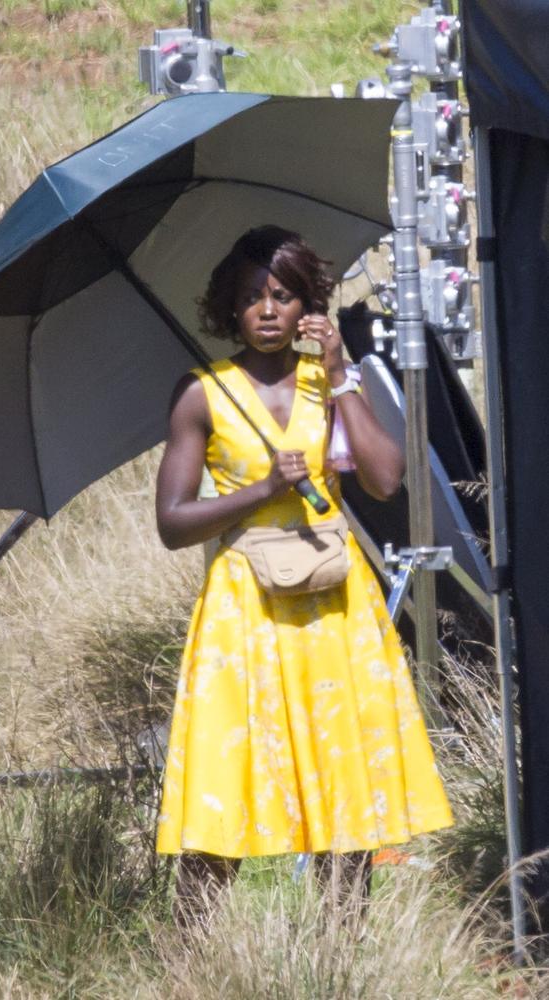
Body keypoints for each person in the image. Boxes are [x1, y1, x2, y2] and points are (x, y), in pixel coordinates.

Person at [154, 226, 453, 927]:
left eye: (283, 296)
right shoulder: (201, 394)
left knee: (344, 780)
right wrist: (260, 490)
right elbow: (172, 522)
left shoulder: (329, 382)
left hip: (333, 606)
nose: (267, 310)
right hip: (243, 610)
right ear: (228, 308)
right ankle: (189, 965)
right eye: (252, 296)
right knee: (221, 785)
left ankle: (336, 961)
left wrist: (343, 369)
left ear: (307, 307)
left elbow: (384, 479)